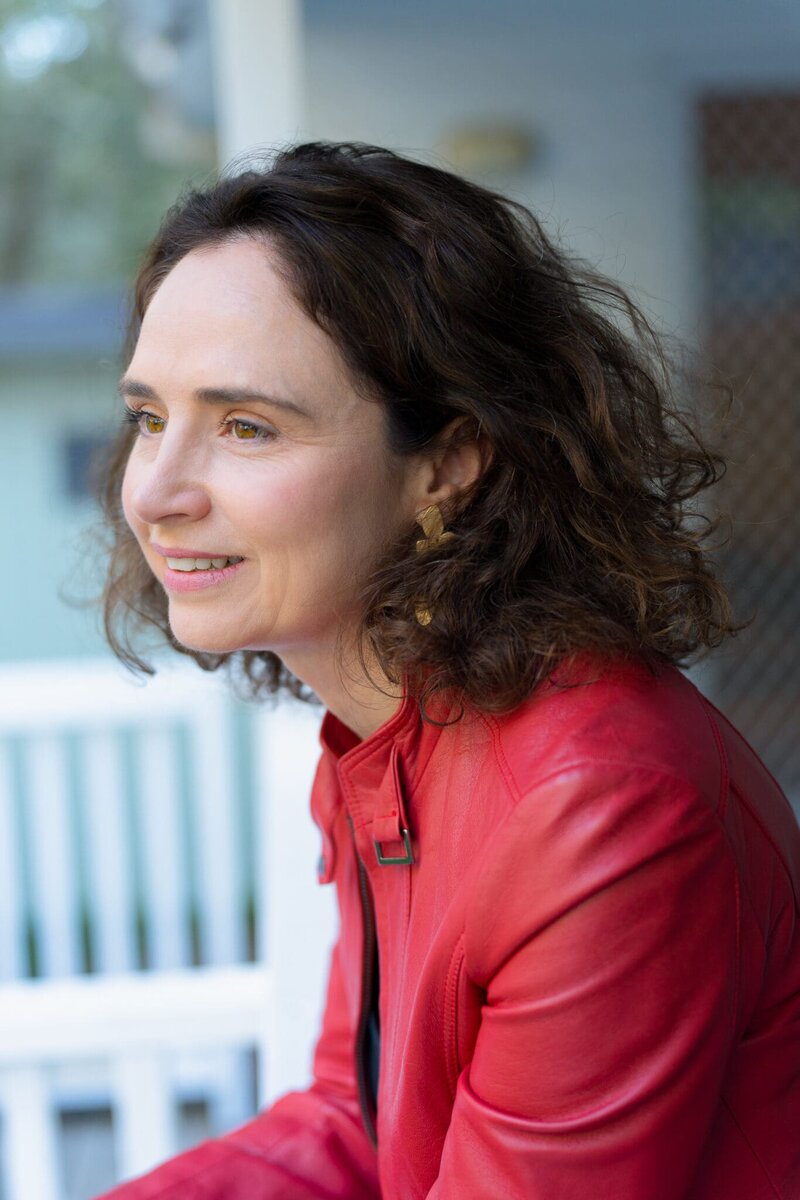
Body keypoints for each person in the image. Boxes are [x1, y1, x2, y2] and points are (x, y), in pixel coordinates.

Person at [95, 141, 800, 1199]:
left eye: (245, 426)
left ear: (448, 463)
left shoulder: (596, 808)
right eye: (150, 417)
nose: (153, 491)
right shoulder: (386, 742)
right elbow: (358, 1120)